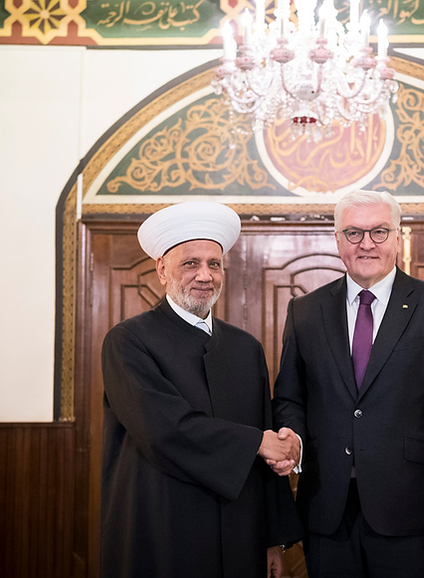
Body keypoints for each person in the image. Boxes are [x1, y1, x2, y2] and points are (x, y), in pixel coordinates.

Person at [273, 189, 424, 578]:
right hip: (326, 509)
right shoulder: (304, 310)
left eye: (379, 232)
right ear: (337, 241)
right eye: (353, 233)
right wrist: (293, 440)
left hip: (411, 512)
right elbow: (290, 398)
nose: (366, 243)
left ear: (397, 237)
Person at [100, 201, 302, 578]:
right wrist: (255, 442)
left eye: (214, 263)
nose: (205, 275)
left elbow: (267, 449)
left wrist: (274, 538)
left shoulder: (246, 348)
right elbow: (163, 430)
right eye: (190, 263)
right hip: (162, 527)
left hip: (241, 530)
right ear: (162, 269)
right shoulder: (128, 341)